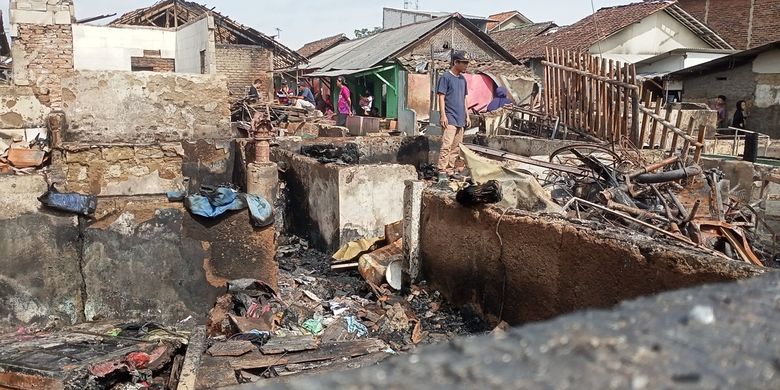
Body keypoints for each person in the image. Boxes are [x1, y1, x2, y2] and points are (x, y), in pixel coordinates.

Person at [436, 50, 470, 178]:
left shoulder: (463, 79)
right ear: (456, 62)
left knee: (456, 147)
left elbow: (464, 97)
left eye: (467, 63)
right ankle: (441, 169)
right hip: (450, 116)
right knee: (447, 144)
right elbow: (441, 96)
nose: (466, 65)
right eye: (464, 63)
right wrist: (443, 115)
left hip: (460, 117)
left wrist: (467, 114)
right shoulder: (446, 77)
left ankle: (450, 169)